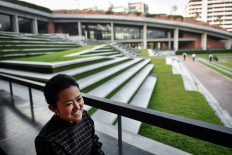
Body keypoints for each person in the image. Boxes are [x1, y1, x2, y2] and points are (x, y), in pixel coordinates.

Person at [35, 74, 104, 155]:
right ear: (53, 108)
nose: (77, 107)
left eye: (79, 99)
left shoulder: (85, 115)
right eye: (69, 104)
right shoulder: (47, 141)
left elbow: (94, 144)